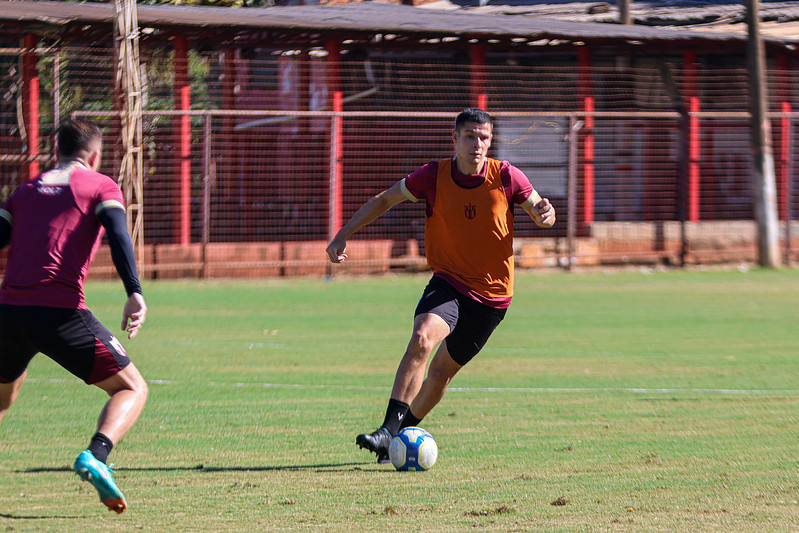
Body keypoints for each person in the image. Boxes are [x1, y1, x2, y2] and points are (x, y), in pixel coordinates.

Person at [326, 108, 556, 463]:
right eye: (469, 136)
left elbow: (541, 211)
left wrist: (546, 214)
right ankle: (387, 430)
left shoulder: (507, 176)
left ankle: (400, 437)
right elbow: (385, 199)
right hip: (448, 281)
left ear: (490, 141)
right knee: (422, 338)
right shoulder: (433, 176)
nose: (476, 145)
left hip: (492, 298)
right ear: (455, 138)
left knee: (439, 376)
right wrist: (343, 234)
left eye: (483, 138)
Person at [0, 119, 148, 513]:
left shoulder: (25, 190)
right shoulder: (100, 185)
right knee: (132, 388)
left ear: (55, 149)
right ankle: (96, 456)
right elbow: (119, 234)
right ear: (95, 155)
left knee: (2, 398)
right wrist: (134, 290)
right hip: (59, 314)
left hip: (8, 314)